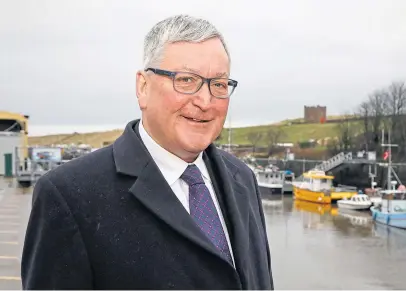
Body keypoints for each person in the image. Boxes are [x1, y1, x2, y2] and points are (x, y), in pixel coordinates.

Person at [21, 14, 274, 290]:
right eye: (186, 80)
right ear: (143, 87)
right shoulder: (69, 196)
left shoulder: (243, 179)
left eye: (219, 84)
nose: (205, 101)